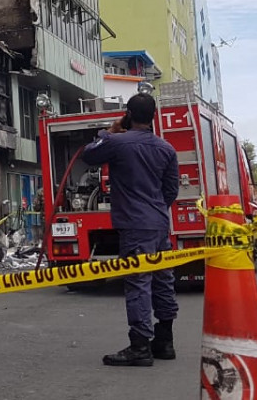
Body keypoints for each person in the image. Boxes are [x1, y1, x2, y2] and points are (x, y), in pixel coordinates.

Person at [82, 93, 179, 367]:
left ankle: (139, 346)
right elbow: (170, 189)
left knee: (138, 282)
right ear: (154, 116)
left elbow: (89, 155)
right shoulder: (166, 148)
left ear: (127, 113)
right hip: (160, 224)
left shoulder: (116, 142)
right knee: (163, 280)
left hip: (134, 226)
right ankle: (165, 341)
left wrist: (108, 131)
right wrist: (156, 209)